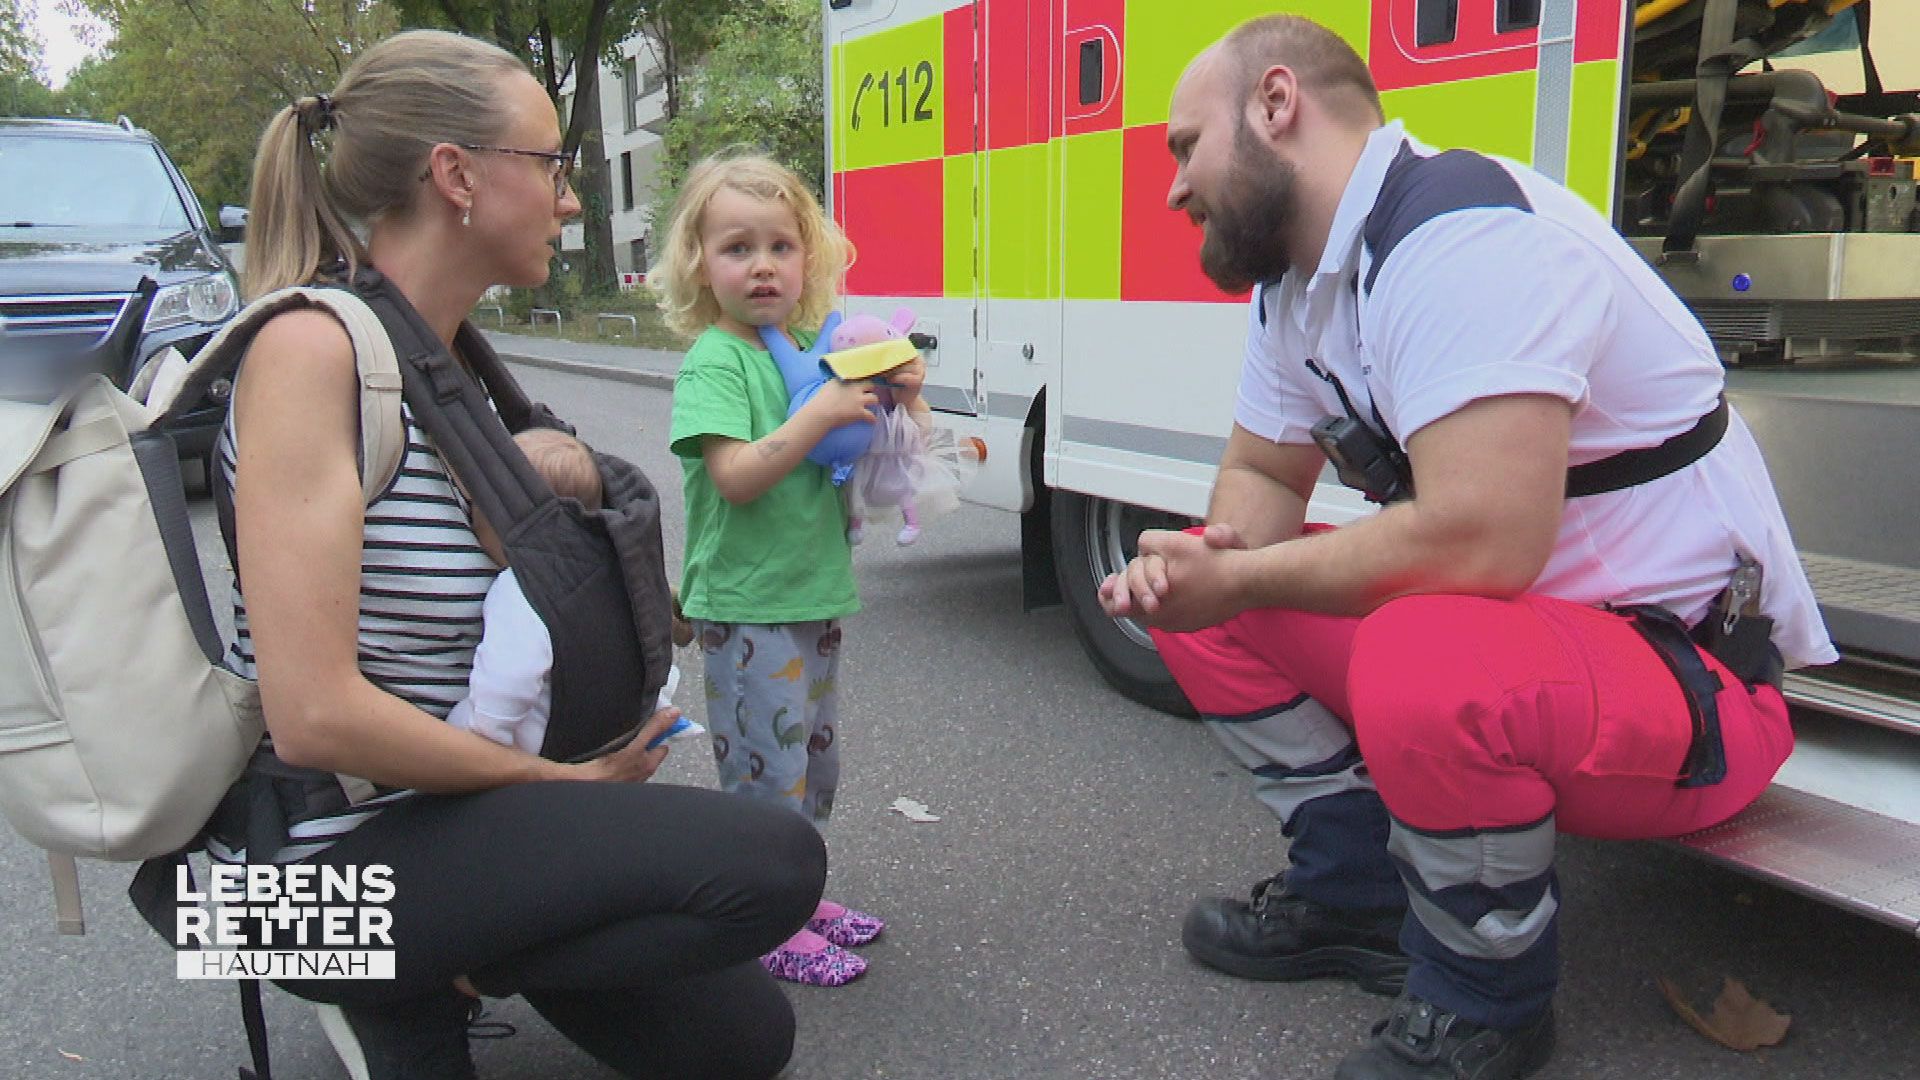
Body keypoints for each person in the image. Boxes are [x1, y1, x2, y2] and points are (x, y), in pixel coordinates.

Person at [1101, 15, 1834, 1080]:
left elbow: (1482, 543)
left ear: (1274, 105)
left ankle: (1489, 1001)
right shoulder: (1299, 286)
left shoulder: (1461, 232)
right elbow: (1260, 482)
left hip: (1694, 697)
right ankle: (1356, 899)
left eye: (1182, 145)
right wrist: (1203, 576)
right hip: (1548, 664)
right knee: (1197, 591)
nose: (1174, 188)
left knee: (1421, 648)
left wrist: (1241, 572)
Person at [222, 30, 825, 1080]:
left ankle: (460, 954)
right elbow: (311, 715)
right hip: (293, 886)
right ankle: (387, 980)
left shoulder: (456, 363)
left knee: (741, 1042)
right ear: (456, 177)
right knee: (774, 862)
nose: (573, 199)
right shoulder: (309, 351)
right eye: (551, 165)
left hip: (464, 831)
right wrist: (565, 786)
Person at [655, 151, 907, 987]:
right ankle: (761, 922)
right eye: (736, 248)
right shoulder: (717, 363)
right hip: (748, 605)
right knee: (766, 772)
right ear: (700, 265)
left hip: (812, 595)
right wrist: (822, 416)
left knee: (812, 766)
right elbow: (736, 473)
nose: (762, 265)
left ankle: (795, 896)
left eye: (780, 246)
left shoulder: (806, 348)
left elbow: (861, 434)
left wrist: (894, 390)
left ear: (810, 259)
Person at [449, 428, 684, 754]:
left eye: (477, 508)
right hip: (618, 718)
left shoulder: (520, 589)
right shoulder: (610, 567)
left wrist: (485, 730)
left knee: (450, 726)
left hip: (542, 736)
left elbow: (511, 678)